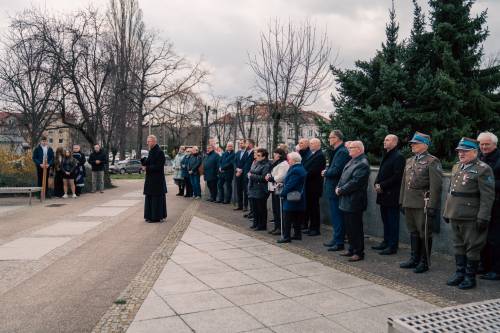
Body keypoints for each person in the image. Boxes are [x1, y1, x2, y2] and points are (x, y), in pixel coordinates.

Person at [444, 137, 495, 289]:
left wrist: (483, 217)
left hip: (471, 216)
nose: (461, 154)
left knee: (472, 248)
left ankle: (469, 277)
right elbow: (451, 192)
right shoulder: (457, 167)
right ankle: (459, 273)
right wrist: (447, 211)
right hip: (455, 214)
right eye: (459, 151)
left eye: (465, 151)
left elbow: (488, 196)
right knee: (458, 245)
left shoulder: (483, 169)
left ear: (474, 152)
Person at [399, 132, 443, 273]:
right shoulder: (409, 161)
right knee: (413, 231)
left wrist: (432, 205)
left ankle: (424, 262)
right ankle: (414, 258)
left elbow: (436, 186)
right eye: (412, 143)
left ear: (425, 145)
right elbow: (403, 184)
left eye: (415, 143)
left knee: (424, 232)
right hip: (409, 201)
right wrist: (401, 200)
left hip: (422, 203)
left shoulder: (432, 161)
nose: (412, 145)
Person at [335, 141, 370, 262]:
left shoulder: (362, 163)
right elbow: (343, 177)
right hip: (346, 200)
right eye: (349, 147)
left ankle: (359, 252)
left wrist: (341, 190)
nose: (349, 149)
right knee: (349, 227)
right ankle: (351, 248)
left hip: (354, 201)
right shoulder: (352, 160)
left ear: (359, 149)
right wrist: (338, 187)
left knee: (356, 228)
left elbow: (355, 182)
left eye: (351, 148)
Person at [372, 134, 405, 255]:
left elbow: (397, 176)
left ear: (395, 142)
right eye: (384, 139)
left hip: (392, 195)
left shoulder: (398, 157)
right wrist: (376, 183)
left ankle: (392, 246)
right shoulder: (387, 155)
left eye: (387, 140)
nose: (384, 142)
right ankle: (385, 242)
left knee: (392, 222)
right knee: (385, 220)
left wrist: (382, 185)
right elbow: (381, 172)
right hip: (383, 194)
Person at [322, 130, 350, 251]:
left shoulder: (342, 151)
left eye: (331, 137)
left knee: (337, 216)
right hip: (333, 187)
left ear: (338, 138)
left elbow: (337, 170)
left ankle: (338, 241)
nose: (329, 139)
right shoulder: (338, 151)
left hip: (336, 187)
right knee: (336, 216)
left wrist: (326, 172)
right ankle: (337, 238)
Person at [477, 132, 500, 281]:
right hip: (482, 204)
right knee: (482, 237)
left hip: (497, 205)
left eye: (487, 144)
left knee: (495, 239)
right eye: (481, 144)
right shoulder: (478, 157)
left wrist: (487, 184)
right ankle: (484, 265)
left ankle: (496, 270)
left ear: (495, 144)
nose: (484, 147)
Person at [277, 152, 307, 243]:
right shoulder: (299, 168)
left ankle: (286, 237)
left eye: (289, 159)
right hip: (297, 196)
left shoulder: (295, 170)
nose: (288, 161)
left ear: (293, 160)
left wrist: (282, 193)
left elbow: (290, 185)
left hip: (292, 197)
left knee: (288, 217)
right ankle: (297, 234)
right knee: (296, 217)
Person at [302, 138, 326, 236]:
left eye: (312, 143)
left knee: (314, 208)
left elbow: (313, 171)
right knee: (310, 208)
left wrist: (302, 174)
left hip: (314, 186)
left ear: (318, 144)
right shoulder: (313, 154)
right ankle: (311, 227)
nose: (310, 145)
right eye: (310, 143)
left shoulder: (320, 155)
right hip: (309, 186)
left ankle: (315, 229)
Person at [141, 135, 167, 222]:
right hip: (150, 179)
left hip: (157, 180)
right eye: (147, 141)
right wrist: (143, 161)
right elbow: (149, 162)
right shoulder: (151, 151)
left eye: (149, 141)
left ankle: (156, 217)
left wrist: (147, 168)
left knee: (156, 199)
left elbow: (159, 166)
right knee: (149, 198)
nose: (147, 143)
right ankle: (149, 216)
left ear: (154, 141)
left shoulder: (160, 152)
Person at [266, 148, 289, 235]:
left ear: (279, 155)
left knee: (279, 209)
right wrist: (269, 175)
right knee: (275, 209)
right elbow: (272, 171)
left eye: (275, 154)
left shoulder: (284, 164)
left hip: (279, 188)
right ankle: (276, 227)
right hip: (273, 188)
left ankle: (280, 228)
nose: (274, 156)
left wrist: (271, 178)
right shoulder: (276, 163)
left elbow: (280, 177)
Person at [247, 148, 271, 230]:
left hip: (261, 189)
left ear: (264, 157)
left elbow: (263, 178)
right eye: (256, 155)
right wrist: (252, 174)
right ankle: (256, 223)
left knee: (261, 208)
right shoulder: (256, 163)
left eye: (259, 155)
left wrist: (252, 175)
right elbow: (251, 171)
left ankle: (262, 225)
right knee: (255, 208)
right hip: (253, 188)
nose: (256, 157)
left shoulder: (266, 165)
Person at [242, 139, 255, 214]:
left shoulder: (254, 152)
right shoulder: (246, 152)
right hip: (245, 174)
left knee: (250, 192)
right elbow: (243, 162)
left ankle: (252, 210)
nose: (245, 145)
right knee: (246, 191)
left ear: (250, 144)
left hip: (251, 175)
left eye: (246, 143)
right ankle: (246, 207)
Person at [234, 139, 247, 210]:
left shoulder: (247, 153)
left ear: (245, 144)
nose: (241, 144)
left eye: (242, 143)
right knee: (239, 190)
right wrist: (237, 169)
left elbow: (247, 163)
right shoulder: (238, 152)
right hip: (237, 173)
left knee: (245, 190)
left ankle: (245, 206)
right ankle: (240, 205)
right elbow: (234, 162)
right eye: (240, 143)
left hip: (244, 173)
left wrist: (241, 170)